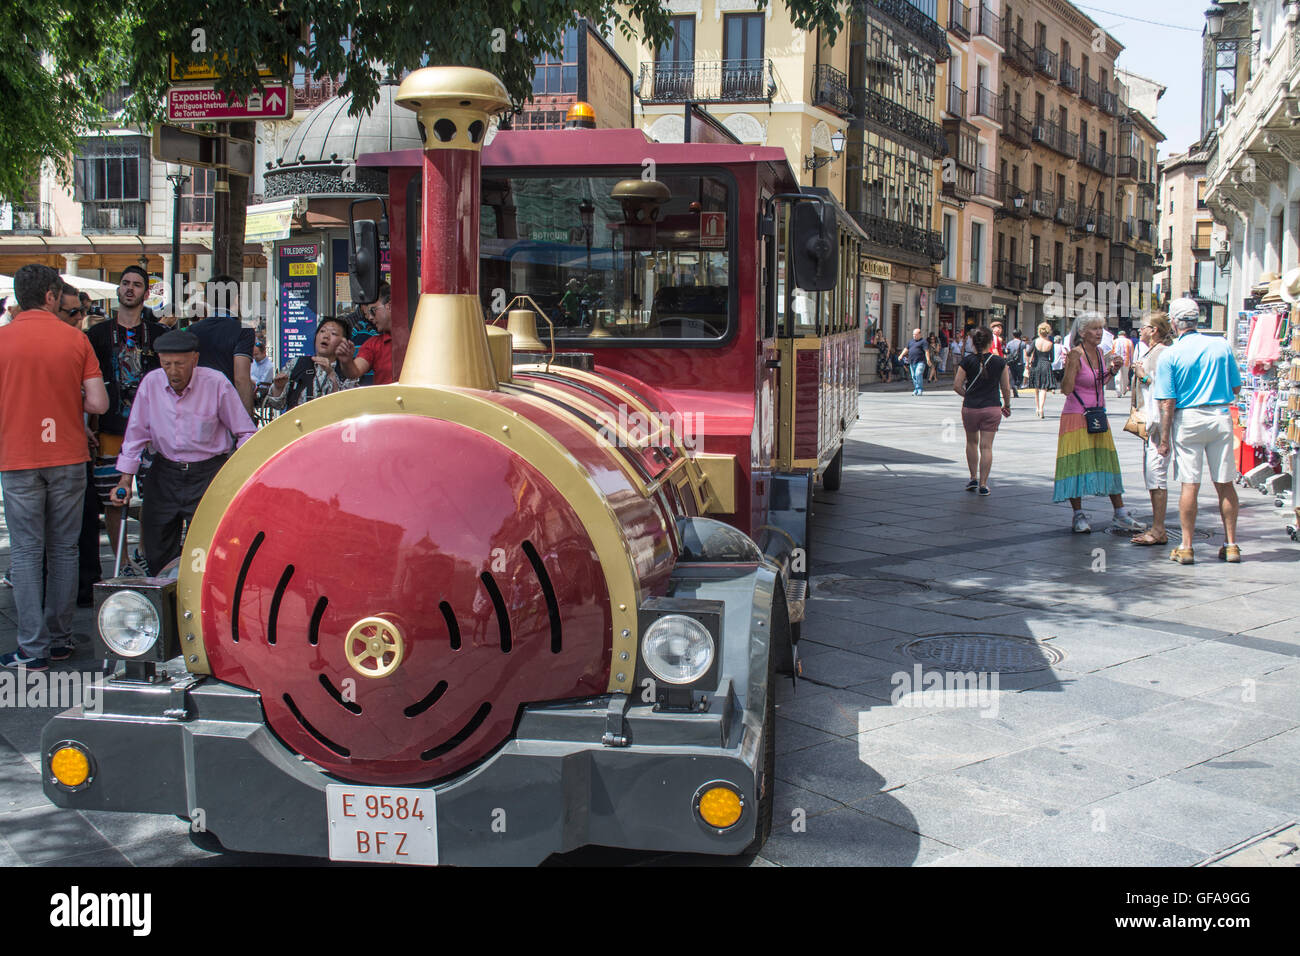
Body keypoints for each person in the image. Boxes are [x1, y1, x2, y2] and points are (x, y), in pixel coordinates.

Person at [0, 264, 109, 669]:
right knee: (64, 550)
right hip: (67, 456)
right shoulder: (75, 340)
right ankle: (61, 639)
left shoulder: (2, 340)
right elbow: (99, 404)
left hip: (18, 458)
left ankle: (32, 647)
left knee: (27, 553)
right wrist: (67, 397)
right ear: (50, 296)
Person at [112, 330, 256, 575]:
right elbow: (136, 434)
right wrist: (124, 479)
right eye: (166, 364)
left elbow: (245, 432)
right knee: (156, 542)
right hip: (165, 470)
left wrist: (237, 472)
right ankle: (166, 599)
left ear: (195, 360)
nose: (173, 371)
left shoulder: (216, 383)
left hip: (208, 472)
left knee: (212, 544)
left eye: (179, 364)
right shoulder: (151, 383)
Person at [86, 266, 168, 575]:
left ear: (146, 293)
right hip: (110, 429)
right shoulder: (96, 334)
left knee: (152, 495)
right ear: (118, 290)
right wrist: (87, 425)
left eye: (136, 284)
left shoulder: (159, 335)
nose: (129, 289)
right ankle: (121, 562)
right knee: (112, 497)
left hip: (151, 431)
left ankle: (144, 552)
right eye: (125, 283)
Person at [1155, 297, 1244, 563]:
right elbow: (1237, 388)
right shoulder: (1221, 345)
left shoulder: (1169, 353)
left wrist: (1164, 439)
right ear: (1197, 319)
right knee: (1225, 483)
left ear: (1173, 322)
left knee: (1189, 484)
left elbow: (1167, 401)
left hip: (1188, 419)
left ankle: (1186, 546)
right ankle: (1231, 545)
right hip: (1219, 416)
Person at [1054, 312, 1145, 534]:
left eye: (1101, 328)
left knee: (1107, 461)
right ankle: (1079, 515)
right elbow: (1067, 389)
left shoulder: (1100, 352)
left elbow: (1097, 381)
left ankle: (1120, 514)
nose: (1099, 333)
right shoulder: (1076, 354)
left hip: (1097, 414)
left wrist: (1112, 370)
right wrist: (1069, 368)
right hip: (1076, 415)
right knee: (1076, 464)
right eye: (1094, 329)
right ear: (1082, 332)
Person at [1128, 312, 1174, 547]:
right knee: (1151, 474)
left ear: (1154, 330)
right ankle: (1158, 527)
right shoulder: (1151, 352)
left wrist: (1143, 377)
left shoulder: (1161, 354)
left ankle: (1159, 529)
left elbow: (1163, 392)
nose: (1139, 330)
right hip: (1151, 422)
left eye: (1143, 327)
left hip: (1159, 424)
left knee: (1156, 475)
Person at [953, 326, 1012, 495]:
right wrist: (1006, 405)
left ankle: (973, 477)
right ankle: (984, 484)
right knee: (987, 447)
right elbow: (1006, 388)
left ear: (973, 342)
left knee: (971, 443)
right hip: (992, 407)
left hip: (970, 408)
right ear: (990, 342)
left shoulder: (967, 361)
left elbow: (956, 386)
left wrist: (968, 395)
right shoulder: (1000, 362)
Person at [189, 274, 255, 416]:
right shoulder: (244, 331)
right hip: (227, 409)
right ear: (236, 298)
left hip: (197, 407)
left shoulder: (191, 330)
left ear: (207, 299)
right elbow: (241, 378)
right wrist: (247, 420)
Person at [266, 316, 359, 412]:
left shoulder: (349, 369)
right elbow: (276, 405)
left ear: (344, 342)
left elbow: (349, 405)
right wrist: (278, 388)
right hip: (299, 424)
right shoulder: (296, 363)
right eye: (322, 331)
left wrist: (331, 375)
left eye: (333, 333)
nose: (326, 336)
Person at [336, 282, 393, 385]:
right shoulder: (373, 344)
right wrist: (346, 361)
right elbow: (355, 371)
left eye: (373, 310)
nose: (370, 317)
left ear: (390, 305)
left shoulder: (418, 337)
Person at [1025, 323, 1057, 418]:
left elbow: (1028, 352)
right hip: (1046, 365)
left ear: (1039, 331)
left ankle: (1037, 407)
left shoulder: (1035, 341)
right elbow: (1052, 358)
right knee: (1044, 388)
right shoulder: (1050, 343)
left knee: (1036, 388)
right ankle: (1041, 409)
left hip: (1036, 365)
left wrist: (1028, 364)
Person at [899, 327, 931, 396]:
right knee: (913, 376)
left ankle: (920, 389)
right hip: (912, 361)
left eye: (915, 334)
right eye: (913, 334)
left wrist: (928, 359)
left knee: (918, 373)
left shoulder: (923, 342)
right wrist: (901, 355)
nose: (914, 336)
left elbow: (926, 351)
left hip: (920, 362)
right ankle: (916, 389)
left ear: (920, 334)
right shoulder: (911, 342)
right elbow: (906, 349)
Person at [1112, 326, 1134, 397]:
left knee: (1117, 375)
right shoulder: (1129, 341)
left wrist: (1112, 362)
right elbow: (1132, 353)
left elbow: (1112, 353)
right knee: (1125, 376)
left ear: (1118, 335)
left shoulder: (1114, 341)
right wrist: (1132, 362)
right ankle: (1124, 390)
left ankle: (1118, 390)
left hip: (1116, 361)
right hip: (1126, 361)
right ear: (1125, 335)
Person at [1004, 327, 1025, 398]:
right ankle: (1016, 386)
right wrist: (1027, 363)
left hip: (1011, 363)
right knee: (1020, 377)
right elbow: (1025, 354)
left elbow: (1006, 353)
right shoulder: (1022, 343)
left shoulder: (1009, 343)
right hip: (1020, 363)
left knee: (1013, 376)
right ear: (1020, 335)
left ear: (1013, 335)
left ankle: (1014, 387)